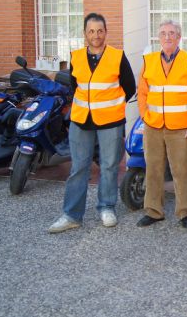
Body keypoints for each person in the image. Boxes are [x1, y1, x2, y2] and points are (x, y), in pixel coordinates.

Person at [48, 13, 136, 233]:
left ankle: (106, 207)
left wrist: (111, 107)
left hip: (110, 121)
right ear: (84, 33)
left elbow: (130, 87)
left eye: (100, 31)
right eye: (91, 31)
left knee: (108, 166)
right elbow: (75, 85)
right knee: (79, 167)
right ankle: (71, 215)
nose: (96, 35)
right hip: (80, 120)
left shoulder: (117, 56)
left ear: (105, 32)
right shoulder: (75, 56)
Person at [136, 20, 187, 229]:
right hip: (153, 126)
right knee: (153, 169)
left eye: (172, 33)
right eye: (163, 33)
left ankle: (185, 212)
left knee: (182, 171)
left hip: (181, 127)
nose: (167, 37)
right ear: (158, 37)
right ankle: (154, 211)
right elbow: (143, 93)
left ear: (179, 37)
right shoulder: (149, 61)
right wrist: (145, 116)